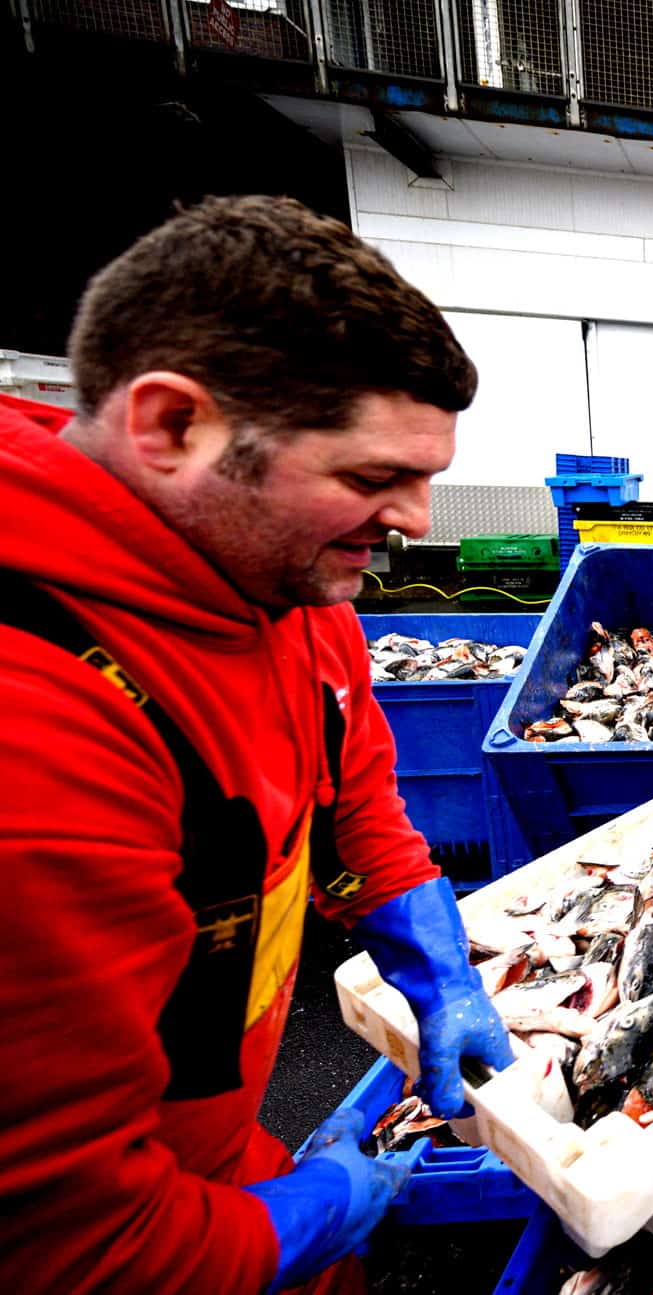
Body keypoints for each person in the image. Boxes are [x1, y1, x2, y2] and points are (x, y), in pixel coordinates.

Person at [0, 196, 516, 1293]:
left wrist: (424, 941)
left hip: (220, 1159)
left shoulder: (284, 579)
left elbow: (355, 791)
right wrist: (311, 1212)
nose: (419, 521)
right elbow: (68, 1241)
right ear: (173, 426)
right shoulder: (38, 736)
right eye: (374, 479)